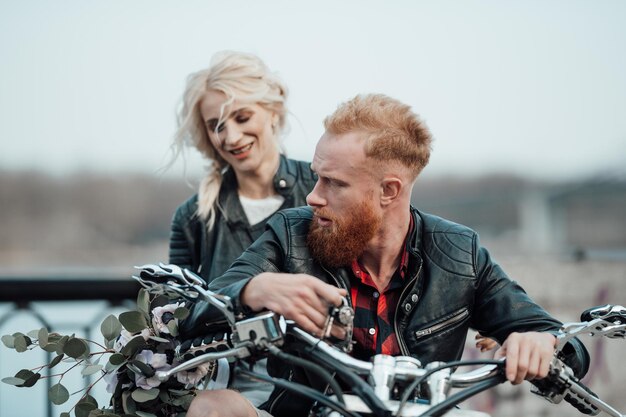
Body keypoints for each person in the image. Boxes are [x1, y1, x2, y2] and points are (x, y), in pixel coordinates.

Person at [186, 94, 590, 417]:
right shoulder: (291, 234)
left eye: (333, 183)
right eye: (316, 177)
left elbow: (559, 341)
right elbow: (193, 313)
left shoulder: (458, 253)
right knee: (214, 409)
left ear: (389, 192)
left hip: (418, 411)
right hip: (306, 411)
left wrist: (543, 342)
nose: (313, 196)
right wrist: (252, 289)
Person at [168, 51, 316, 409]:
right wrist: (246, 292)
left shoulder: (320, 189)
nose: (231, 136)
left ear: (273, 112)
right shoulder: (192, 216)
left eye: (242, 116)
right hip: (229, 385)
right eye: (216, 124)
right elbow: (174, 318)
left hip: (318, 379)